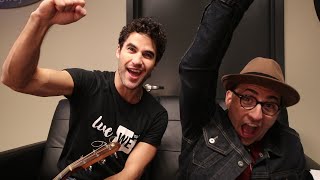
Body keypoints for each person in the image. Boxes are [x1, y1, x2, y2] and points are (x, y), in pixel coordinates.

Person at [1, 0, 168, 179]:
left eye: (147, 55)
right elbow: (15, 80)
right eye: (131, 49)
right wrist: (40, 20)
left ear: (155, 64)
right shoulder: (88, 83)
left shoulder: (156, 115)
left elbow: (128, 175)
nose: (137, 60)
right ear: (118, 51)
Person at [178, 0, 313, 179]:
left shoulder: (290, 144)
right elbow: (195, 69)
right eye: (248, 98)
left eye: (270, 105)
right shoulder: (203, 124)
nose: (257, 116)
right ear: (229, 98)